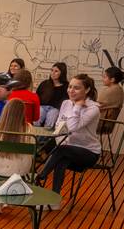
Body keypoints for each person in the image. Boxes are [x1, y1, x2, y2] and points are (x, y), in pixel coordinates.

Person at [36, 74, 103, 211]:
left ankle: (40, 176)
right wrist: (61, 141)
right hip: (67, 149)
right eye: (70, 87)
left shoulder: (93, 109)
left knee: (62, 151)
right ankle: (54, 201)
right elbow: (59, 127)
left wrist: (77, 107)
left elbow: (71, 127)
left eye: (76, 88)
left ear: (87, 90)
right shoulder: (65, 103)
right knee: (61, 159)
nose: (71, 90)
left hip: (89, 153)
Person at [0, 99, 35, 213]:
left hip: (0, 170)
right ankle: (8, 200)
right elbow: (32, 154)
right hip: (21, 171)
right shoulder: (29, 128)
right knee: (14, 170)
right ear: (22, 113)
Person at [37, 62, 69, 127]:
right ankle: (34, 132)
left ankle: (46, 133)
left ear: (62, 73)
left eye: (56, 71)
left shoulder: (66, 86)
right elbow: (37, 96)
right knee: (39, 114)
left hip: (56, 108)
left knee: (52, 115)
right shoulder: (45, 83)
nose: (53, 73)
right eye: (52, 70)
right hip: (43, 106)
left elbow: (66, 101)